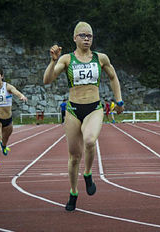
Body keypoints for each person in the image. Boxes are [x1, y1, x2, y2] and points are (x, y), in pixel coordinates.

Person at [43, 21, 124, 211]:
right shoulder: (67, 59)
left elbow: (113, 77)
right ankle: (73, 191)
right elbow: (47, 80)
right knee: (73, 157)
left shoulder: (100, 58)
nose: (87, 38)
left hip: (94, 108)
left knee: (89, 140)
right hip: (73, 110)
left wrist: (119, 100)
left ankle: (87, 174)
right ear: (75, 38)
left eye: (90, 36)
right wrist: (53, 61)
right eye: (83, 35)